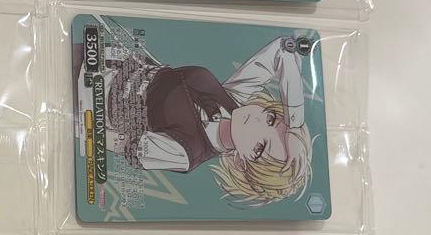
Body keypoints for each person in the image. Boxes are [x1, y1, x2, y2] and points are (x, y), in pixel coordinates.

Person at [95, 31, 313, 205]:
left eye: (260, 147)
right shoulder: (233, 98)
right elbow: (282, 50)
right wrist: (294, 125)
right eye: (271, 120)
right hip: (106, 55)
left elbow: (114, 141)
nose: (256, 124)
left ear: (241, 162)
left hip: (92, 97)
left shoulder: (187, 154)